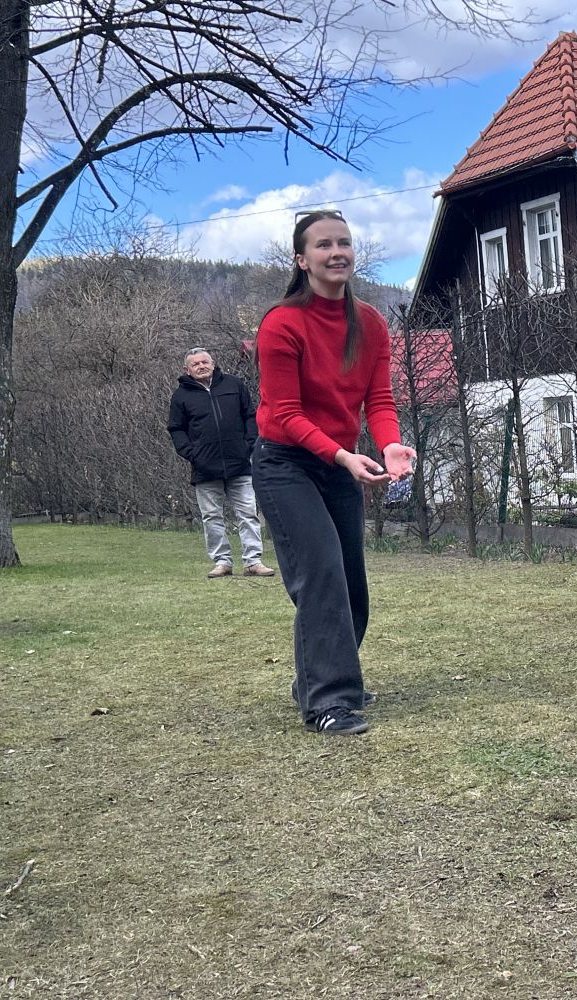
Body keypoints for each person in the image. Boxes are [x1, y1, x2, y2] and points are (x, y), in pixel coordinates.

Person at [252, 209, 416, 736]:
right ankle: (328, 700)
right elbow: (285, 413)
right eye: (323, 245)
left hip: (338, 463)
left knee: (350, 583)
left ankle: (320, 677)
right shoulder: (282, 323)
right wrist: (343, 456)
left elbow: (379, 399)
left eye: (343, 242)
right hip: (285, 464)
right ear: (302, 260)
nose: (336, 252)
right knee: (320, 572)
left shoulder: (370, 323)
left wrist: (390, 444)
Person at [167, 348, 276, 579]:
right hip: (205, 468)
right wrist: (192, 454)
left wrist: (249, 445)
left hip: (240, 464)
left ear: (213, 363)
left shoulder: (234, 385)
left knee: (248, 513)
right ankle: (222, 562)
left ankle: (253, 561)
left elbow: (250, 415)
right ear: (187, 369)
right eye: (195, 364)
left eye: (205, 362)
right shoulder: (181, 396)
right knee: (211, 517)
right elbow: (176, 429)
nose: (201, 366)